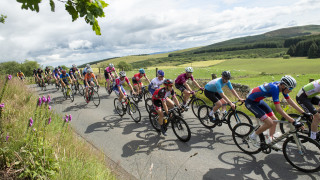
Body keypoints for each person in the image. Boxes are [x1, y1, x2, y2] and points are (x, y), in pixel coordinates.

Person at [245, 75, 308, 149]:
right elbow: (278, 109)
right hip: (250, 103)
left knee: (274, 120)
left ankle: (270, 140)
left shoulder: (281, 86)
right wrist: (292, 121)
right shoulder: (275, 89)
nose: (291, 90)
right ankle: (253, 136)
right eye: (290, 88)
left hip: (258, 101)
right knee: (269, 122)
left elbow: (289, 100)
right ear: (284, 85)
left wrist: (303, 112)